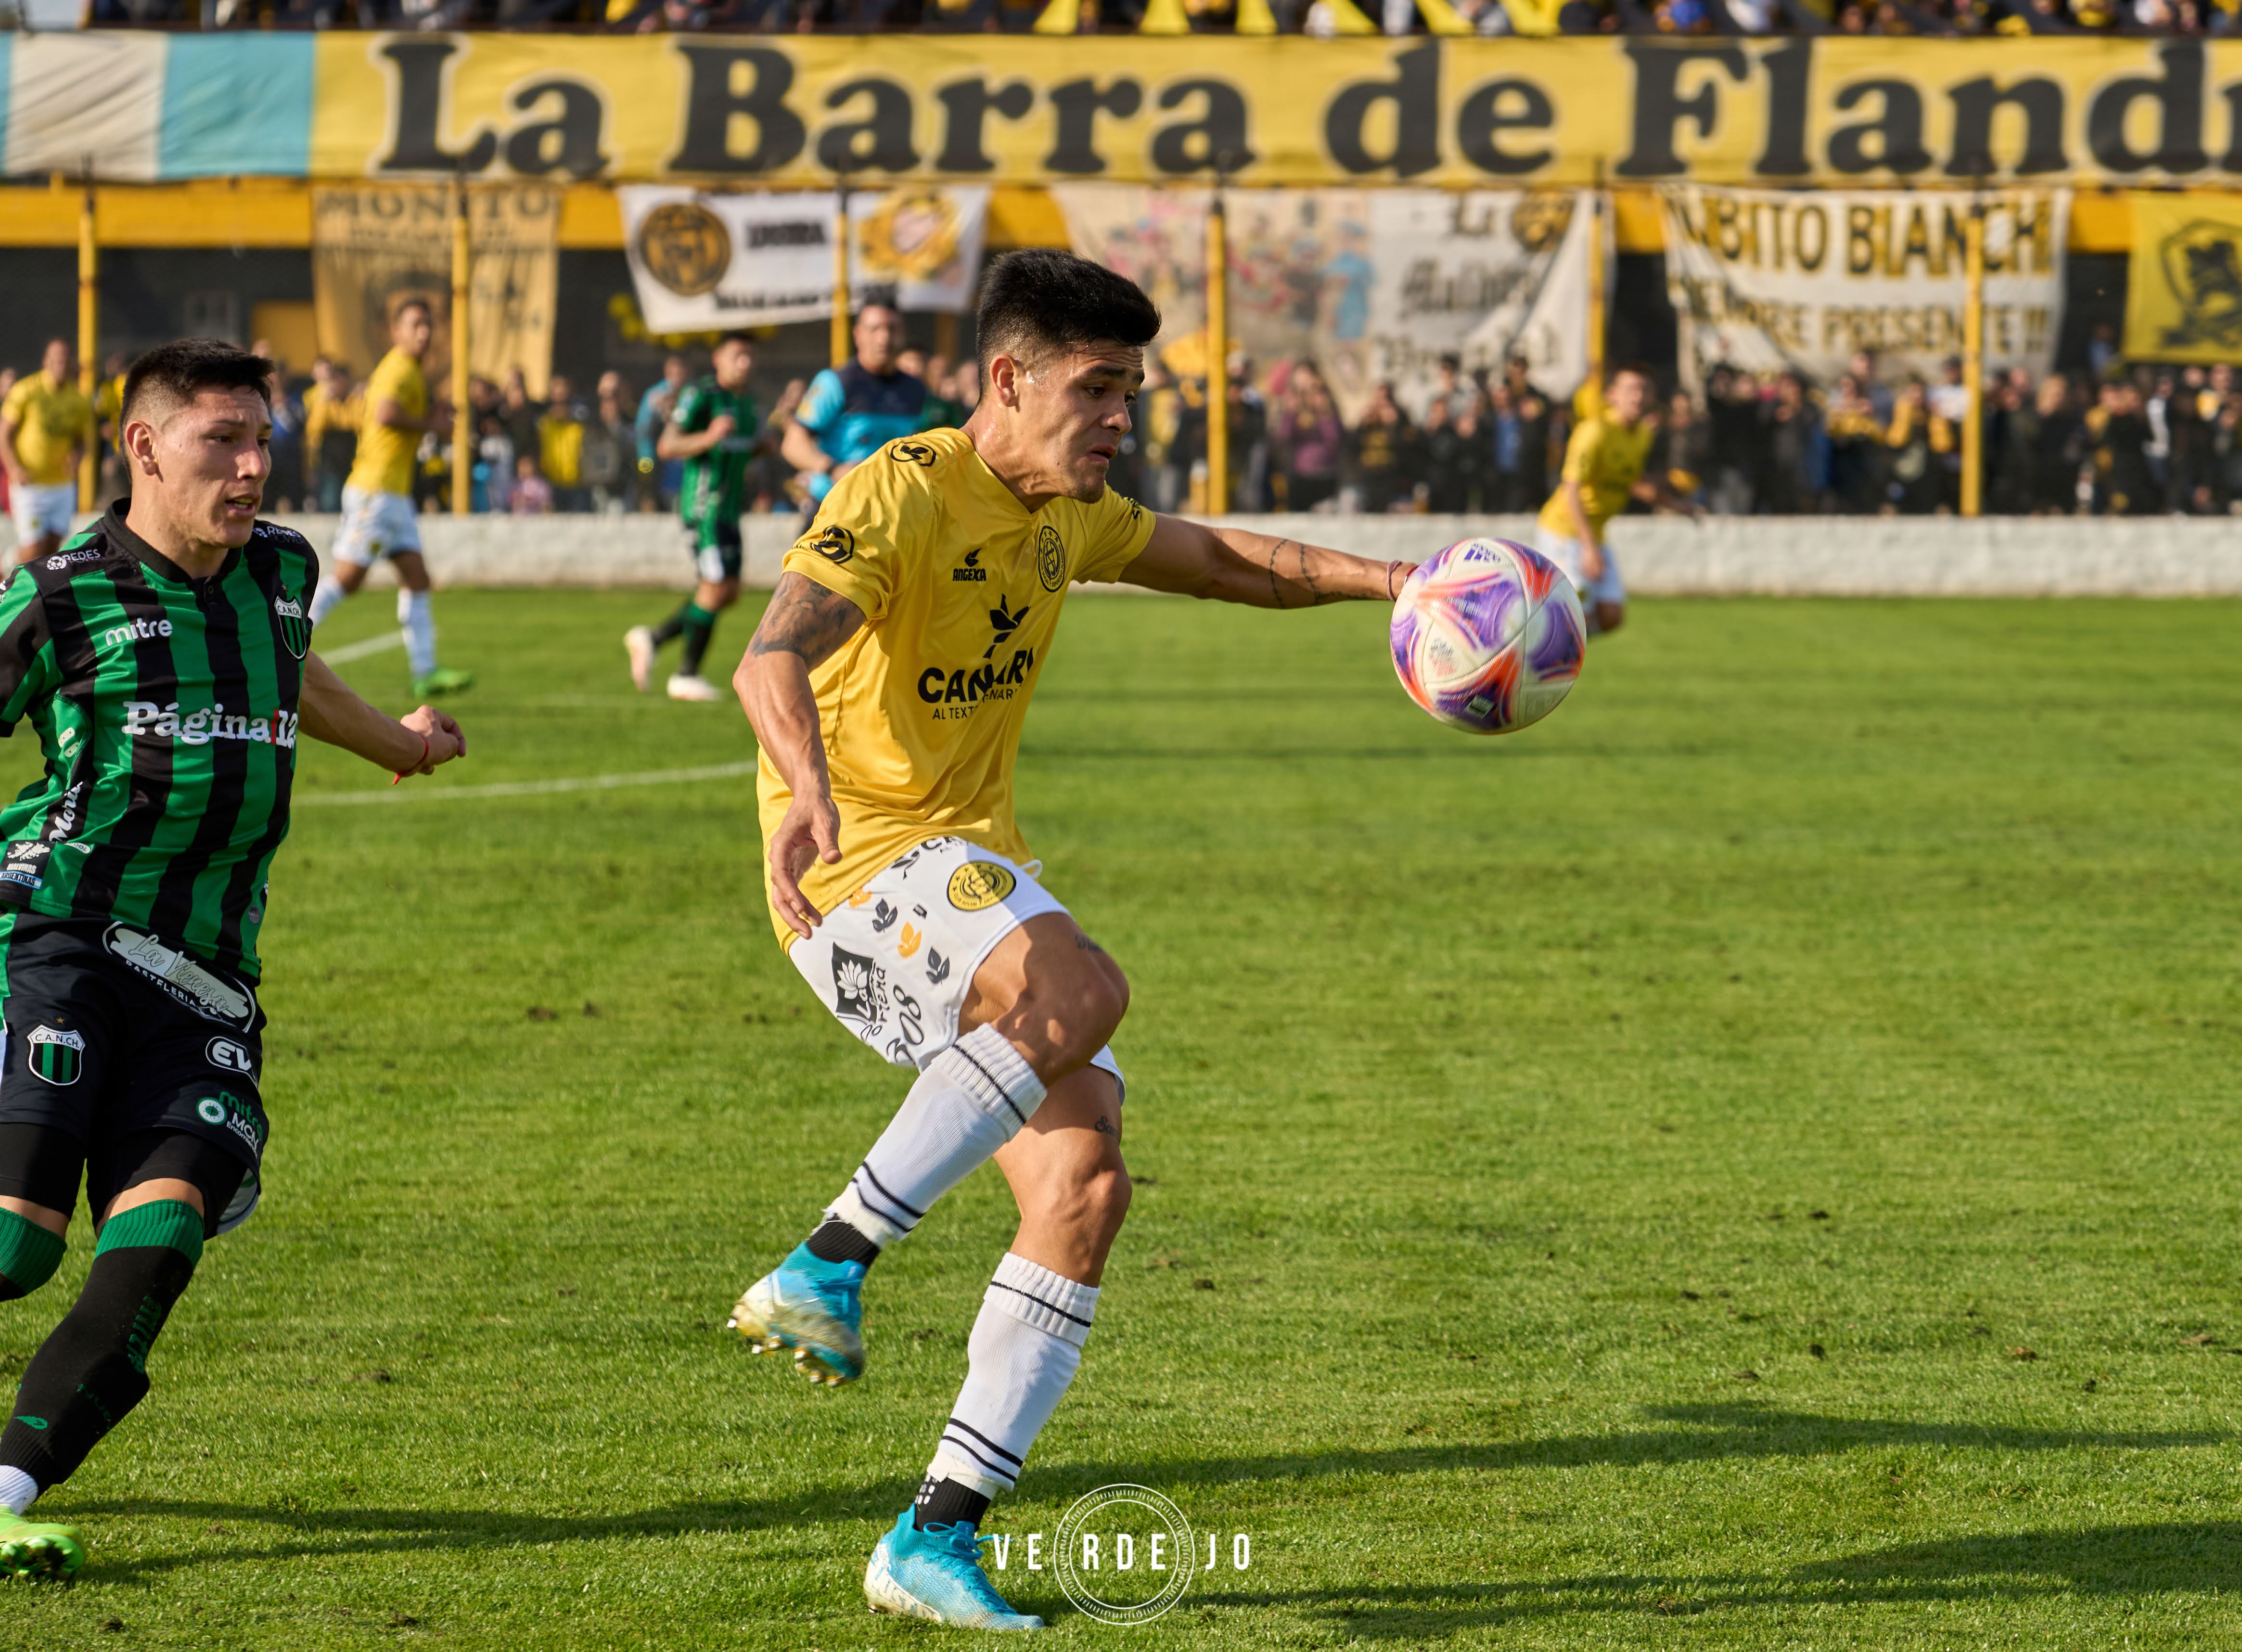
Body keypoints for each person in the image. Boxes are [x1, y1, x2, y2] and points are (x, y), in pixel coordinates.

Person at [726, 248, 1417, 1631]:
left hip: (962, 873)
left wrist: (1399, 580)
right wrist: (805, 792)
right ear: (1008, 379)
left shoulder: (1069, 516)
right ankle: (825, 1262)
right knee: (1082, 987)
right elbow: (769, 654)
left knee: (1084, 1181)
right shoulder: (902, 489)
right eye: (1096, 389)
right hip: (864, 863)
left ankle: (931, 1537)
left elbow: (1233, 561)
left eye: (1130, 393)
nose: (1119, 419)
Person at [0, 339, 465, 1582]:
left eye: (264, 441)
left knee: (157, 1247)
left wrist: (401, 748)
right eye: (224, 442)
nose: (256, 468)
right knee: (16, 1247)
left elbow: (290, 675)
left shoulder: (282, 571)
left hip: (209, 983)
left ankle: (3, 1491)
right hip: (65, 942)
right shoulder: (62, 593)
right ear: (144, 447)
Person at [305, 302, 473, 699]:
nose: (424, 333)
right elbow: (384, 413)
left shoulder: (410, 371)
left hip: (394, 496)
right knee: (348, 579)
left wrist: (433, 413)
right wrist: (430, 423)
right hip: (375, 492)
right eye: (415, 325)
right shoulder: (397, 367)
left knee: (417, 578)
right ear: (395, 331)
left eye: (428, 326)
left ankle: (425, 673)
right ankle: (279, 645)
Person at [624, 332, 761, 703]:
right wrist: (708, 437)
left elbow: (747, 449)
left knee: (728, 593)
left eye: (750, 356)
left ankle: (651, 639)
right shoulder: (702, 395)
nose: (744, 363)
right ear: (718, 358)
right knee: (714, 588)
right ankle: (686, 675)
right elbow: (667, 446)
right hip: (704, 511)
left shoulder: (746, 401)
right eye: (737, 355)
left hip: (730, 512)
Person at [1536, 363, 1697, 637]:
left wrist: (1678, 506)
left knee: (1611, 615)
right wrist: (1588, 548)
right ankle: (1540, 655)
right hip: (1564, 531)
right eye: (1631, 389)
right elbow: (1571, 489)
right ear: (1612, 395)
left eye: (1644, 390)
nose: (1638, 397)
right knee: (1577, 614)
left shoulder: (1642, 435)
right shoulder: (1594, 432)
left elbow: (1630, 481)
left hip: (1595, 533)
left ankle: (1559, 646)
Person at [781, 304, 932, 523]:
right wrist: (834, 469)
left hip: (892, 514)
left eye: (892, 329)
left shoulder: (916, 390)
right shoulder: (836, 382)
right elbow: (792, 444)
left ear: (902, 334)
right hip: (834, 512)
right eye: (875, 329)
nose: (884, 338)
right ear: (858, 335)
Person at [2, 340, 96, 570]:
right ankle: (7, 567)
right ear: (46, 361)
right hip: (30, 485)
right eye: (55, 358)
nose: (60, 364)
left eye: (65, 359)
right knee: (34, 547)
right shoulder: (27, 390)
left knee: (52, 548)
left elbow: (82, 440)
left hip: (62, 485)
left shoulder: (79, 399)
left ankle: (35, 595)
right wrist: (14, 468)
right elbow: (4, 434)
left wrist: (78, 456)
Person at [302, 359, 360, 514]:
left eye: (340, 381)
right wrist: (325, 401)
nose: (336, 385)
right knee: (330, 501)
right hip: (330, 463)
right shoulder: (325, 403)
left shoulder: (356, 402)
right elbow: (314, 429)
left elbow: (358, 424)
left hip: (352, 461)